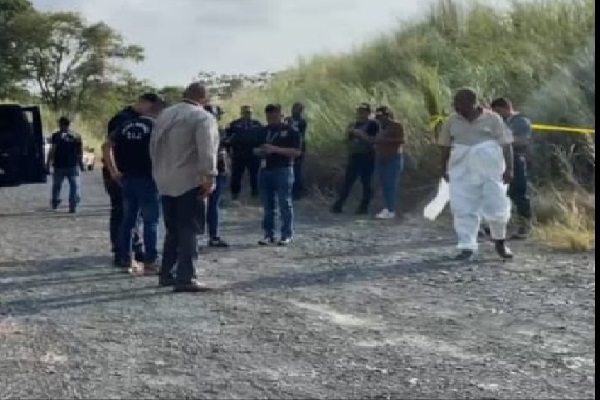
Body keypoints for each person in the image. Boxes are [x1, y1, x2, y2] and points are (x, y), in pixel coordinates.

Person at [150, 82, 220, 293]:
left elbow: (153, 146)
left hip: (164, 179)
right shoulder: (202, 117)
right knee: (190, 229)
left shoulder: (164, 115)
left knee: (173, 229)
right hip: (190, 180)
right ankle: (186, 277)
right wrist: (209, 176)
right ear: (204, 98)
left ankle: (167, 273)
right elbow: (206, 149)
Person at [438, 88, 515, 261]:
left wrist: (510, 169)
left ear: (473, 103)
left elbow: (506, 144)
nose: (457, 107)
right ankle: (467, 246)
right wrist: (444, 169)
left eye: (461, 104)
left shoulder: (492, 118)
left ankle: (500, 242)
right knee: (462, 206)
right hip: (461, 167)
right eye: (455, 104)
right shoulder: (452, 121)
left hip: (490, 168)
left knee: (497, 205)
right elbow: (444, 146)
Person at [104, 98, 166, 273]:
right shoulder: (156, 128)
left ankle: (126, 259)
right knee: (150, 222)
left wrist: (114, 171)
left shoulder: (125, 125)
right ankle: (150, 262)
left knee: (128, 220)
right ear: (158, 111)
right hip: (149, 179)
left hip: (127, 178)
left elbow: (106, 146)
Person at [254, 104, 302, 246]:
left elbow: (297, 152)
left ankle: (287, 234)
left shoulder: (291, 131)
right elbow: (255, 148)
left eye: (274, 117)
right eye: (269, 118)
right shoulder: (263, 131)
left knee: (284, 203)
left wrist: (275, 149)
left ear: (281, 115)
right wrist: (259, 151)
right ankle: (268, 234)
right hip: (265, 170)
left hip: (283, 170)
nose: (271, 120)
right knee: (268, 206)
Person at [491, 97, 533, 239]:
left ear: (505, 108)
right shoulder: (502, 122)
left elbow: (523, 140)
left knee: (518, 194)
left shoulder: (521, 121)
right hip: (500, 161)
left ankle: (525, 227)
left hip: (516, 160)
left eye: (498, 111)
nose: (497, 115)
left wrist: (503, 142)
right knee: (499, 194)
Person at [331, 103, 380, 215]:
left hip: (367, 156)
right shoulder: (354, 124)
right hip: (354, 156)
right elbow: (346, 141)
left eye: (363, 111)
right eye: (359, 111)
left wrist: (361, 135)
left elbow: (374, 141)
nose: (361, 114)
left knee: (366, 182)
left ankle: (364, 207)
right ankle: (339, 205)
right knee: (348, 181)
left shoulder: (373, 124)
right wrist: (350, 134)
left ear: (368, 112)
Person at [203, 104, 230, 248]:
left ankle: (211, 235)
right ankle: (212, 236)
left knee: (211, 205)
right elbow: (220, 153)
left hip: (210, 171)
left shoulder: (218, 130)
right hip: (211, 172)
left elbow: (223, 152)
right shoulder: (215, 131)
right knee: (211, 205)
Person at [224, 105, 263, 201]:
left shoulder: (257, 124)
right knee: (236, 176)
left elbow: (263, 138)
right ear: (241, 113)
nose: (247, 115)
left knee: (255, 176)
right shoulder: (234, 124)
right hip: (239, 154)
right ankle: (235, 195)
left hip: (253, 155)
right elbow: (228, 139)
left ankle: (255, 195)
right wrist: (228, 152)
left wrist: (261, 150)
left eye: (249, 113)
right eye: (245, 112)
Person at [373, 106, 405, 219]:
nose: (379, 119)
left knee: (391, 184)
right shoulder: (380, 127)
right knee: (384, 185)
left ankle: (391, 210)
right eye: (378, 117)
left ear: (387, 116)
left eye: (381, 117)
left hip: (393, 158)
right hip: (381, 158)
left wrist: (385, 141)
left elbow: (401, 140)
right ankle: (387, 208)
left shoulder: (396, 125)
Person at [46, 116, 83, 213]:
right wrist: (81, 164)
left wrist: (48, 163)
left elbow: (52, 151)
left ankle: (55, 201)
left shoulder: (56, 136)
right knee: (74, 186)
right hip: (72, 165)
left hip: (59, 165)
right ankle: (72, 205)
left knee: (57, 185)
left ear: (60, 124)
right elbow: (79, 153)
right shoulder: (76, 136)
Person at [285, 102, 308, 200]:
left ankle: (297, 192)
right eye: (294, 108)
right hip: (288, 146)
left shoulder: (302, 121)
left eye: (297, 109)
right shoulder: (289, 119)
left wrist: (290, 123)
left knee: (297, 170)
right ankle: (290, 190)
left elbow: (298, 132)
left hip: (298, 147)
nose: (295, 110)